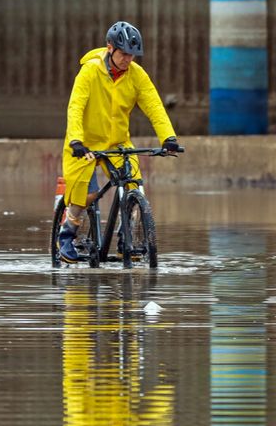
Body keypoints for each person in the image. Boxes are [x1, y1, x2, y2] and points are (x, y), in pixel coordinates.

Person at [58, 21, 183, 263]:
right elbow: (75, 107)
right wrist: (75, 140)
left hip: (118, 144)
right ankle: (66, 235)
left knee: (135, 187)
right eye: (124, 54)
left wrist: (168, 138)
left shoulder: (136, 75)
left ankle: (125, 238)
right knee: (87, 195)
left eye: (132, 55)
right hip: (84, 144)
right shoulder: (90, 71)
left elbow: (154, 106)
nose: (128, 60)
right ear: (110, 48)